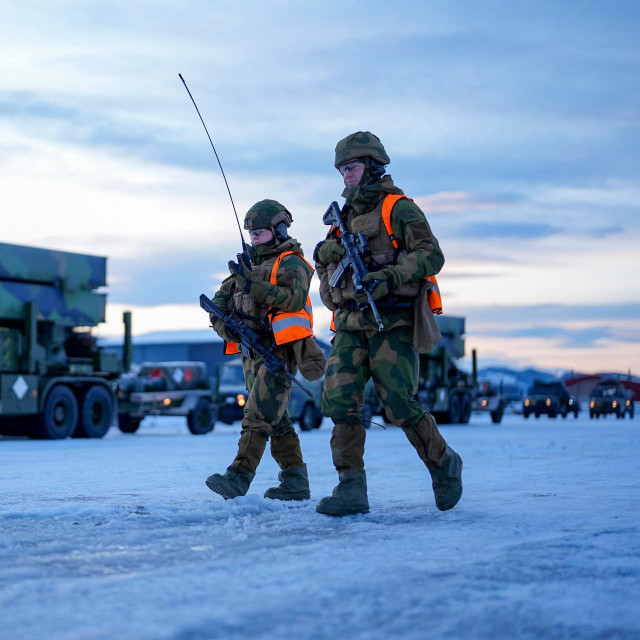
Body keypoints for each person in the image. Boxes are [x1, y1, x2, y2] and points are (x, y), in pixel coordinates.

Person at [313, 131, 463, 516]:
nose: (347, 175)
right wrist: (326, 254)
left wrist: (392, 275)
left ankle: (444, 464)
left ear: (373, 165)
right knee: (339, 401)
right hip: (349, 323)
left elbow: (432, 254)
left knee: (398, 402)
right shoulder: (342, 218)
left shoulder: (399, 208)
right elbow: (327, 267)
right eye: (343, 169)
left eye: (353, 167)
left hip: (392, 320)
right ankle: (351, 489)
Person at [205, 200, 326, 501]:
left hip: (280, 351)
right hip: (250, 351)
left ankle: (238, 477)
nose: (254, 238)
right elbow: (219, 302)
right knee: (277, 417)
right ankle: (296, 481)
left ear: (279, 229)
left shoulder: (292, 262)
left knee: (258, 414)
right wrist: (225, 327)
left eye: (260, 232)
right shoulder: (246, 265)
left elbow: (293, 298)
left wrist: (252, 285)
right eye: (252, 234)